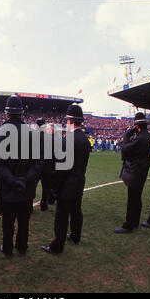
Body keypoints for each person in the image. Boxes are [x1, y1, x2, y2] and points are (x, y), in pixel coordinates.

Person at [0, 96, 43, 257]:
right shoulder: (33, 134)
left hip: (7, 187)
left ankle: (8, 249)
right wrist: (24, 179)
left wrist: (11, 180)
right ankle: (22, 247)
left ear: (6, 113)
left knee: (7, 221)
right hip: (25, 187)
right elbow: (38, 163)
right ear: (22, 113)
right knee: (24, 221)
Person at [41, 104, 91, 254]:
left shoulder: (68, 139)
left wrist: (54, 188)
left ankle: (57, 246)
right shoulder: (85, 139)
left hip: (67, 184)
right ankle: (76, 236)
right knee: (76, 211)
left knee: (61, 216)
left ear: (70, 121)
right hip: (79, 182)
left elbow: (61, 168)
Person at [115, 112, 150, 234]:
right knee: (137, 198)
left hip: (135, 172)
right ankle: (135, 221)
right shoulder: (148, 136)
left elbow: (125, 150)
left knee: (132, 199)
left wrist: (126, 136)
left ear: (137, 126)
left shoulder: (140, 138)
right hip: (142, 172)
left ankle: (129, 225)